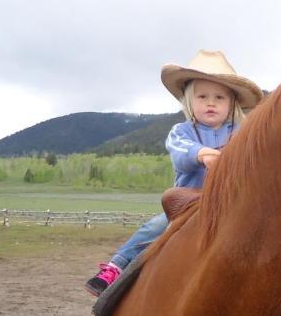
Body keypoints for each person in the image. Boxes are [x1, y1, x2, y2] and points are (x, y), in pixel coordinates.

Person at [85, 50, 263, 296]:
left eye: (219, 97)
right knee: (154, 228)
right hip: (187, 204)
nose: (211, 102)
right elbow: (180, 152)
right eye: (202, 96)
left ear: (231, 103)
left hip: (230, 204)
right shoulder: (182, 131)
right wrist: (202, 154)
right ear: (190, 101)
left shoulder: (243, 132)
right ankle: (116, 267)